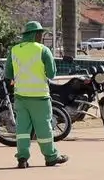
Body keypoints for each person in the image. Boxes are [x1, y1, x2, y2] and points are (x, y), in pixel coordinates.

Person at [5, 21, 68, 168]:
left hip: (20, 97)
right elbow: (52, 74)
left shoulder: (14, 50)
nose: (41, 36)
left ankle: (22, 158)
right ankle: (51, 157)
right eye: (40, 34)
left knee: (22, 130)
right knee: (44, 128)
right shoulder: (43, 50)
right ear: (35, 35)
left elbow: (8, 73)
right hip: (40, 97)